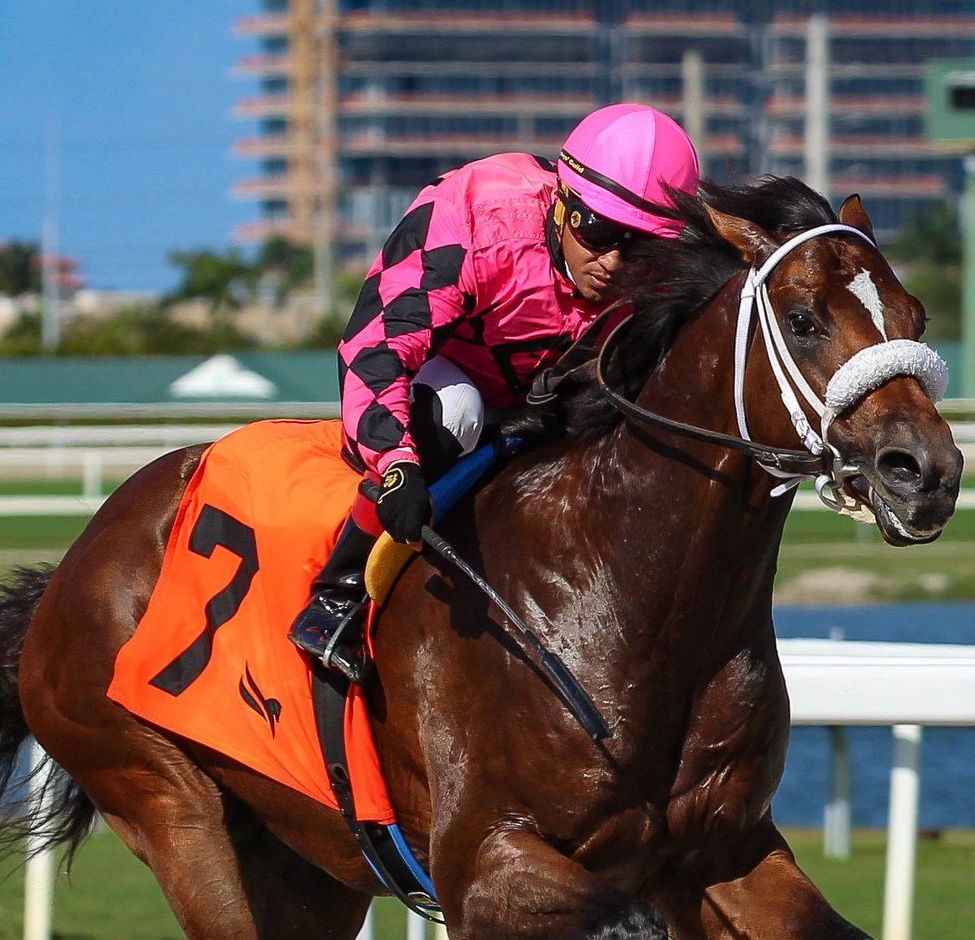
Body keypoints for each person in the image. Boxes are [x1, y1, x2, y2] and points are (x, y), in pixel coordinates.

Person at [289, 103, 701, 682]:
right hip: (442, 381)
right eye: (599, 231)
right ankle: (340, 593)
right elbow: (374, 349)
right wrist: (398, 466)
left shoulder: (669, 266)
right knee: (459, 411)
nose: (613, 262)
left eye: (641, 246)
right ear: (562, 198)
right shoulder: (476, 213)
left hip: (553, 399)